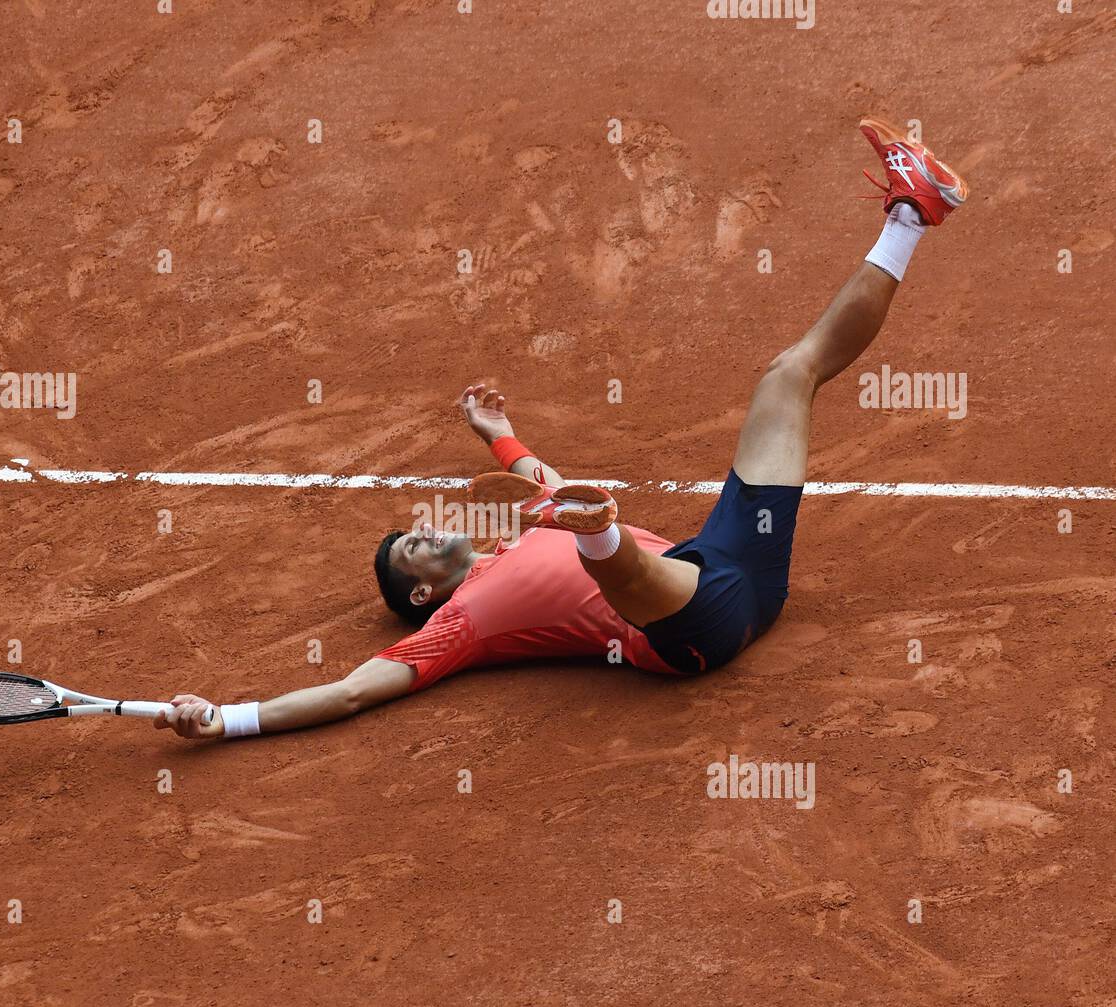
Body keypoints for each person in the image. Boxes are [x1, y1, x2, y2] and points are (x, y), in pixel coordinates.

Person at [156, 116, 967, 740]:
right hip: (694, 629)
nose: (425, 534)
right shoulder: (458, 625)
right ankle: (600, 538)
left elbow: (545, 481)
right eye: (410, 550)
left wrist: (496, 433)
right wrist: (228, 717)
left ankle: (910, 216)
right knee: (590, 531)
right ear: (421, 591)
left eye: (414, 530)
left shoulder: (516, 540)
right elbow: (350, 691)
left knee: (789, 376)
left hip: (732, 563)